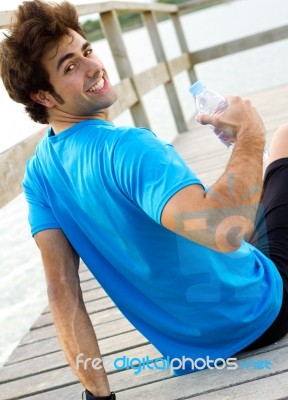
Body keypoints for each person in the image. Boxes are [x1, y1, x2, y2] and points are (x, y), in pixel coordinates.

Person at [1, 0, 288, 398]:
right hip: (261, 311)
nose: (93, 67)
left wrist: (99, 397)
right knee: (282, 138)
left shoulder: (40, 173)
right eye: (70, 67)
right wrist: (249, 132)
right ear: (43, 96)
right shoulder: (131, 148)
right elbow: (224, 231)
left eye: (87, 50)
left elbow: (61, 291)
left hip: (192, 352)